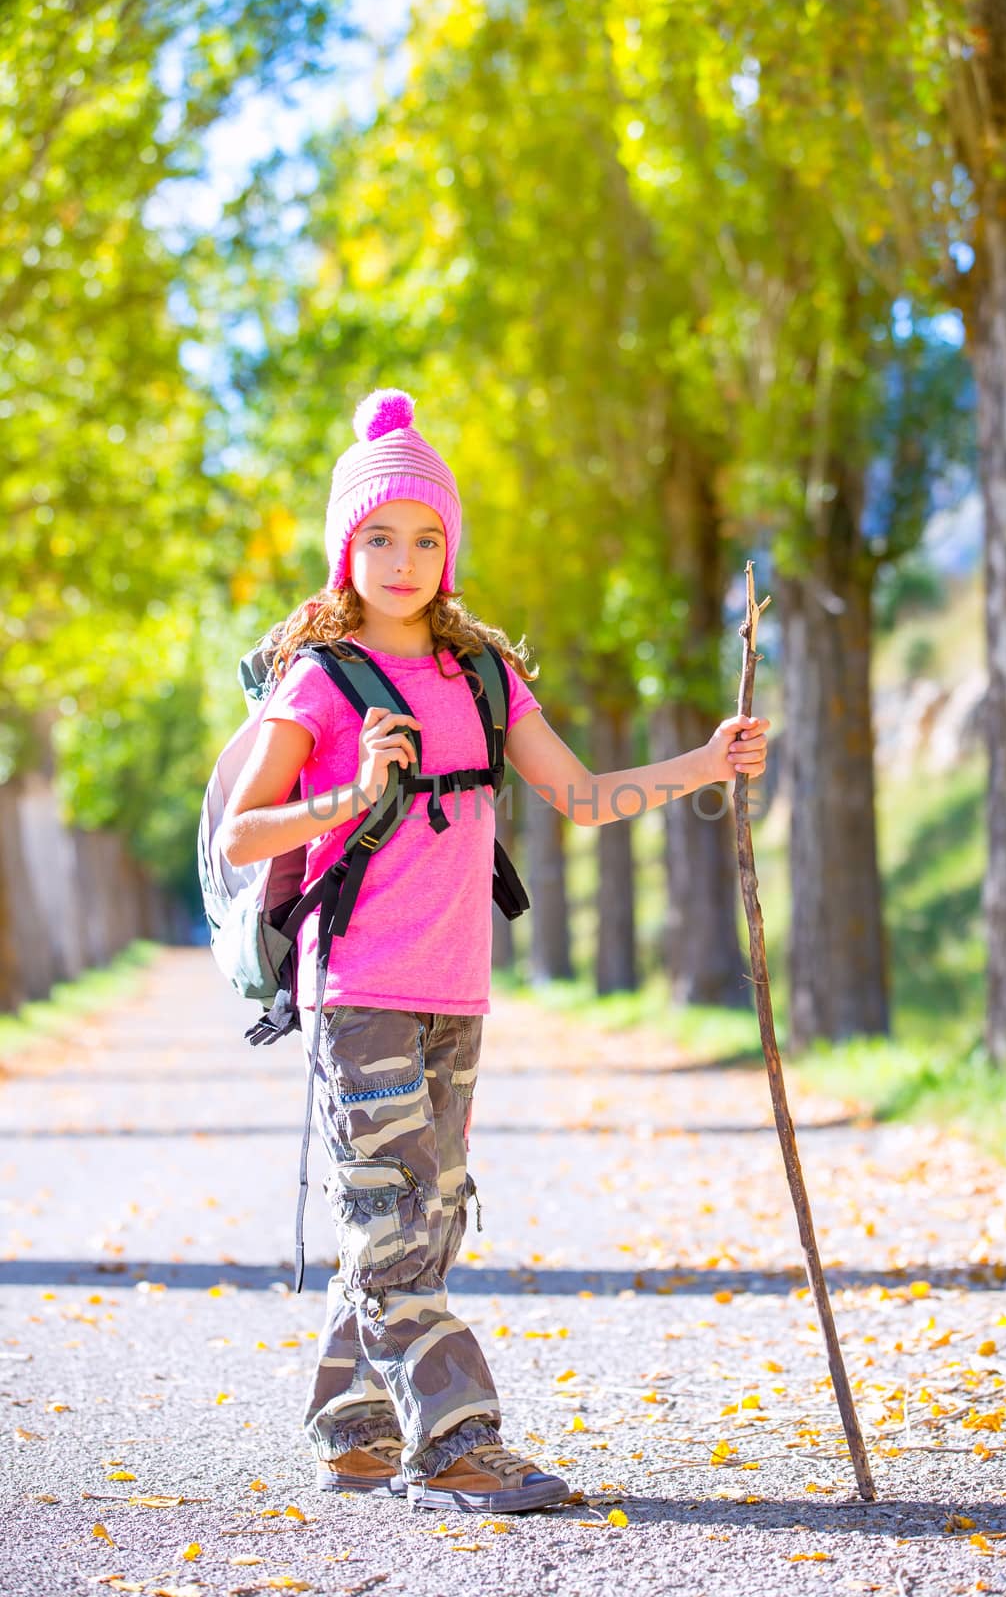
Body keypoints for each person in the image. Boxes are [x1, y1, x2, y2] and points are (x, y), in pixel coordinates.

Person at [218, 387, 770, 1514]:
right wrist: (350, 795)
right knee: (390, 1213)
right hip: (356, 987)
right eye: (378, 534)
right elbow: (241, 831)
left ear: (449, 548)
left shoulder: (481, 673)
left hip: (455, 988)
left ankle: (350, 1419)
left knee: (417, 1214)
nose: (403, 556)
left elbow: (577, 794)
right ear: (344, 547)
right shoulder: (315, 682)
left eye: (425, 536)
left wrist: (703, 766)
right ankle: (461, 1441)